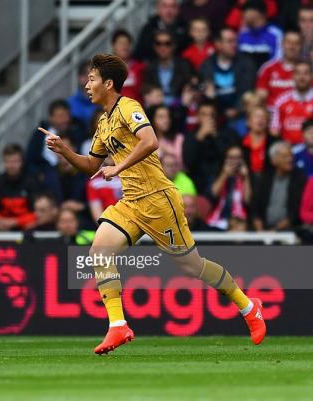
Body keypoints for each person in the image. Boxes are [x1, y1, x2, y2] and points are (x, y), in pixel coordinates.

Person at [40, 54, 265, 355]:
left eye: (92, 79)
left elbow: (151, 141)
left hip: (159, 199)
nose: (87, 84)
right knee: (99, 251)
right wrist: (63, 149)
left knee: (191, 266)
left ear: (108, 83)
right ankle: (118, 325)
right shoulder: (104, 123)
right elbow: (89, 165)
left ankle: (249, 307)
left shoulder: (128, 107)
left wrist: (118, 169)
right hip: (131, 201)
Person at [182, 99, 239, 197]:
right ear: (198, 117)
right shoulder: (191, 136)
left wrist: (216, 136)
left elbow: (230, 157)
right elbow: (188, 161)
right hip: (199, 185)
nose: (208, 118)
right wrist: (200, 136)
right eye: (204, 114)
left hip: (223, 182)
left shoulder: (227, 134)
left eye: (211, 114)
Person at [200, 27, 257, 120]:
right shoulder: (207, 66)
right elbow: (206, 94)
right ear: (218, 44)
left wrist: (237, 110)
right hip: (215, 115)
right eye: (229, 41)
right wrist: (220, 110)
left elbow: (247, 91)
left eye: (235, 41)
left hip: (241, 114)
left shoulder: (246, 64)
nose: (234, 45)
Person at [252, 141, 307, 231]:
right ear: (273, 160)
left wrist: (277, 229)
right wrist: (260, 229)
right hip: (264, 229)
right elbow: (255, 205)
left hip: (290, 230)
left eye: (291, 156)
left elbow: (298, 208)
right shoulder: (264, 178)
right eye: (285, 156)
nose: (290, 159)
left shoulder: (299, 178)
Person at [0, 143, 38, 231]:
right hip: (2, 230)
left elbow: (37, 213)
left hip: (27, 231)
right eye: (8, 161)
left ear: (21, 162)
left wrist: (16, 222)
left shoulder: (32, 181)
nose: (11, 165)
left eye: (15, 161)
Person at [143, 30, 192, 107]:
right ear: (154, 47)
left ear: (174, 46)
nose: (163, 47)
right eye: (158, 43)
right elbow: (146, 90)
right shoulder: (150, 67)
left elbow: (191, 85)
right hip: (157, 111)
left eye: (167, 43)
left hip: (180, 109)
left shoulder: (184, 65)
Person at [207, 146, 252, 230]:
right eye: (231, 157)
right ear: (225, 159)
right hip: (218, 220)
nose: (234, 161)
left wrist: (246, 178)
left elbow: (248, 200)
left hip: (239, 221)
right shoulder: (218, 173)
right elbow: (213, 195)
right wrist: (224, 174)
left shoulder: (246, 176)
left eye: (238, 157)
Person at [271, 61, 313, 145]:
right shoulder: (281, 100)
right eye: (298, 73)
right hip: (288, 151)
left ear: (311, 76)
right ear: (292, 76)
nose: (302, 77)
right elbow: (274, 130)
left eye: (306, 73)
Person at [256, 30, 302, 108]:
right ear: (282, 44)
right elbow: (260, 97)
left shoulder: (306, 70)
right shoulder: (268, 68)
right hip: (272, 114)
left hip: (298, 113)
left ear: (301, 46)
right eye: (289, 42)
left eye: (296, 43)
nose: (292, 47)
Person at [237, 0, 283, 69]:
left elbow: (278, 60)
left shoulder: (275, 34)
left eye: (245, 11)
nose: (242, 14)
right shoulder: (242, 33)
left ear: (257, 13)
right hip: (245, 77)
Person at [111, 29, 145, 103]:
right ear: (114, 46)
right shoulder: (106, 70)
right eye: (121, 43)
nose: (124, 46)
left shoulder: (140, 68)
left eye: (127, 43)